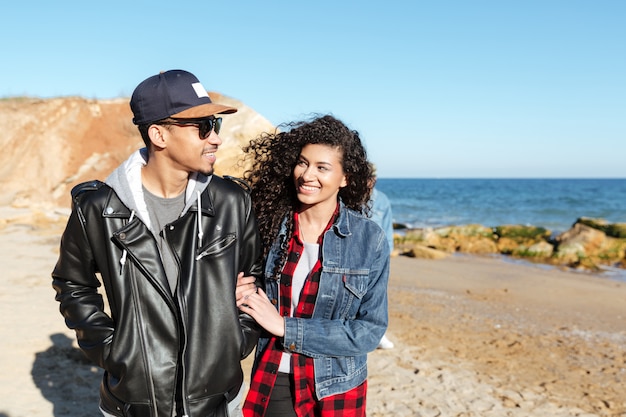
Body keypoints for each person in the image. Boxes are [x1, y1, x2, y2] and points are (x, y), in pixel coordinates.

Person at [52, 69, 263, 417]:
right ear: (158, 134)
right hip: (133, 403)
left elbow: (255, 276)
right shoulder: (97, 209)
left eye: (215, 125)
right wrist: (114, 350)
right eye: (202, 127)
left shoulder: (232, 202)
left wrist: (234, 339)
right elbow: (72, 283)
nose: (215, 139)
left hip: (218, 402)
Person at [236, 114, 390, 416]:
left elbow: (369, 331)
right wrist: (239, 293)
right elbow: (242, 286)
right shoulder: (267, 226)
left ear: (345, 178)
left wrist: (286, 327)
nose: (307, 175)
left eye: (322, 167)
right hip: (275, 376)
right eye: (303, 163)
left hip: (337, 386)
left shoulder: (368, 239)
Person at [367, 165, 396, 350]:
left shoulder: (382, 200)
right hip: (352, 254)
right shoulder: (347, 197)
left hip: (375, 256)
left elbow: (387, 229)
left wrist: (388, 254)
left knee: (376, 297)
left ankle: (377, 335)